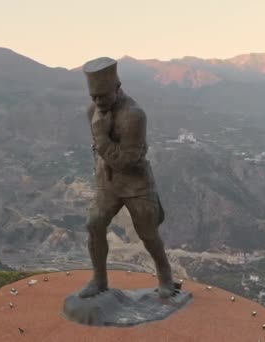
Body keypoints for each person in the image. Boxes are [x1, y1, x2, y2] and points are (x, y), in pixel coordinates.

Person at [79, 57, 175, 299]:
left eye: (103, 95)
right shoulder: (93, 111)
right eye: (94, 97)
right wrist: (100, 175)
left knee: (148, 234)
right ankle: (99, 279)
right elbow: (97, 151)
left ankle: (166, 277)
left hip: (136, 184)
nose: (99, 102)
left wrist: (101, 136)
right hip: (108, 184)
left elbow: (125, 162)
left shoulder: (134, 115)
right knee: (94, 224)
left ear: (117, 87)